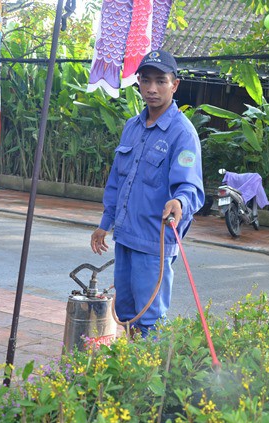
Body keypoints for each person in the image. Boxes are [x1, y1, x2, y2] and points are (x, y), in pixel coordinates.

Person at [90, 50, 205, 338]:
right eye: (146, 81)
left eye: (161, 81)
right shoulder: (132, 127)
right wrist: (105, 223)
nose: (152, 89)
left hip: (155, 243)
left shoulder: (182, 134)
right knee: (127, 313)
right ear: (138, 83)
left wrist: (180, 202)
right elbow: (117, 180)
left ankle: (150, 377)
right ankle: (131, 369)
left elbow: (190, 186)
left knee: (150, 319)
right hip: (126, 237)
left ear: (174, 85)